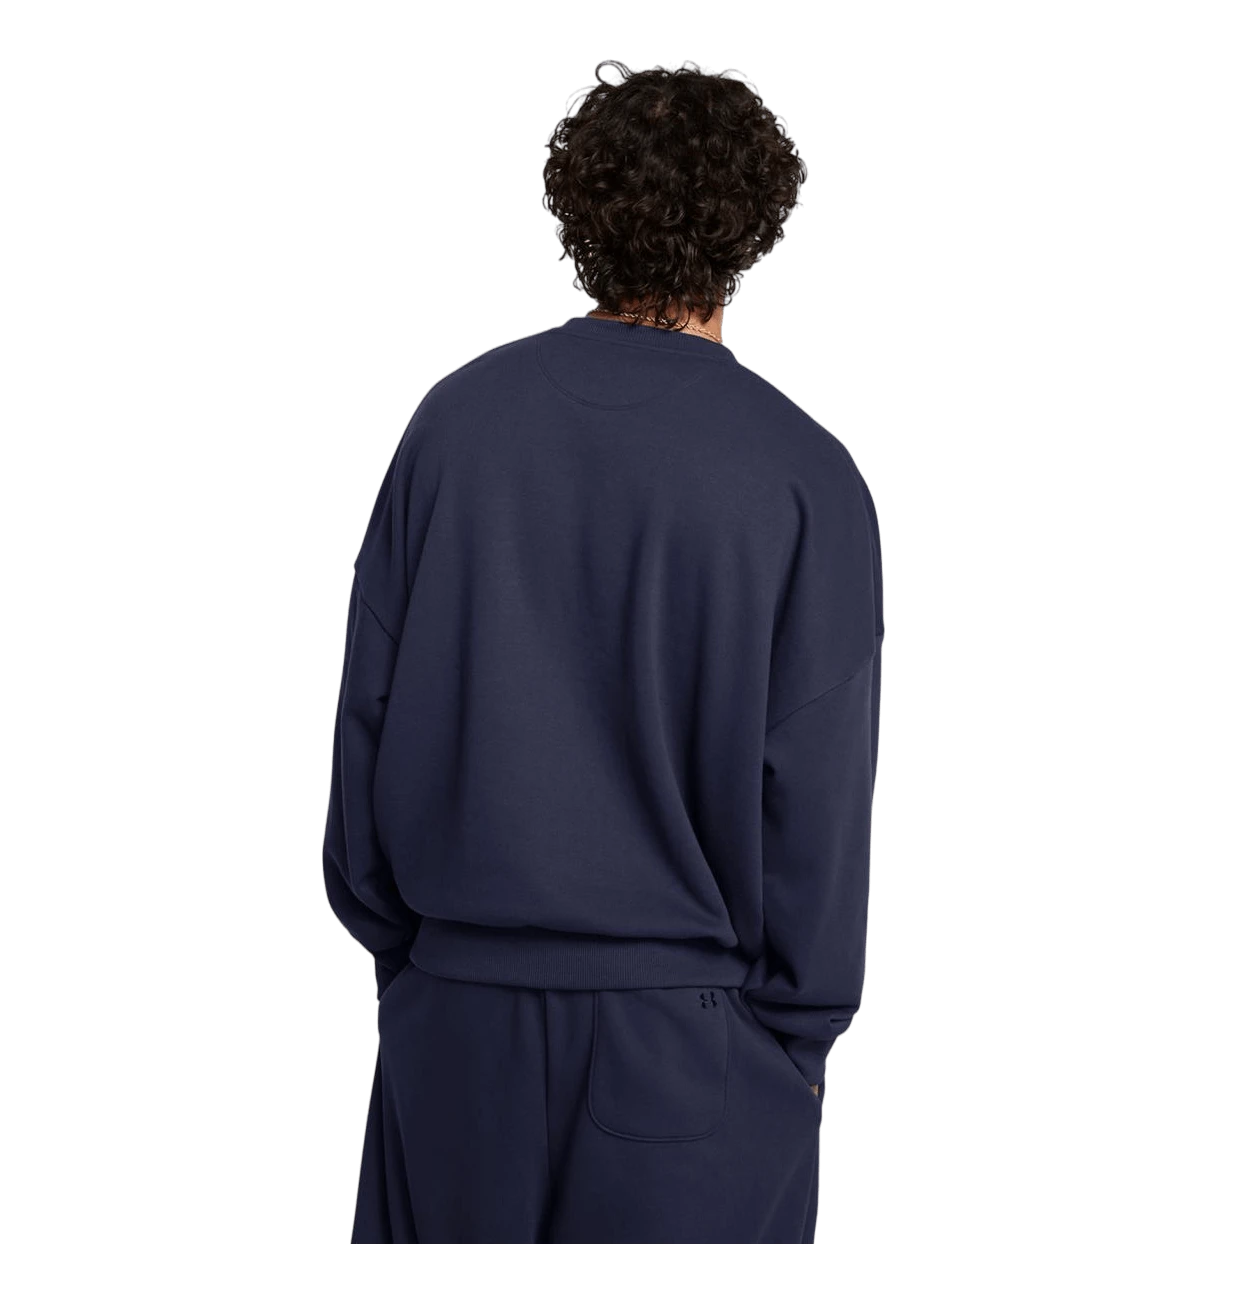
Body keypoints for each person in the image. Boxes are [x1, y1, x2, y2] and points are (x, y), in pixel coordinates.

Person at [324, 62, 882, 1247]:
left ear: (579, 207)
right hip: (687, 1054)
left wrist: (419, 964)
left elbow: (366, 714)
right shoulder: (802, 472)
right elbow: (815, 798)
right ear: (755, 221)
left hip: (455, 1029)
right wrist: (796, 1037)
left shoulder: (453, 426)